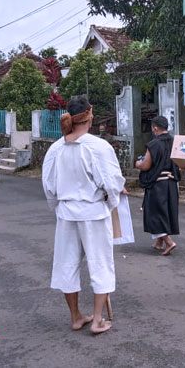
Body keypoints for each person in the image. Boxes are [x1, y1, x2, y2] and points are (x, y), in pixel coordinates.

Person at [42, 96, 126, 334]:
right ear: (90, 116)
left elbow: (49, 187)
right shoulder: (98, 147)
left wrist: (58, 209)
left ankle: (76, 316)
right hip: (93, 212)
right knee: (100, 262)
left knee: (67, 263)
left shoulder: (56, 148)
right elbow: (111, 183)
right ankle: (98, 319)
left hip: (67, 213)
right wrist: (111, 203)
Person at [136, 116, 180, 255]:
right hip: (172, 183)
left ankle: (169, 242)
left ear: (155, 128)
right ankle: (158, 242)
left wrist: (138, 164)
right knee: (166, 212)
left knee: (154, 213)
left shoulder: (154, 144)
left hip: (158, 184)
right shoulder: (175, 142)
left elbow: (146, 165)